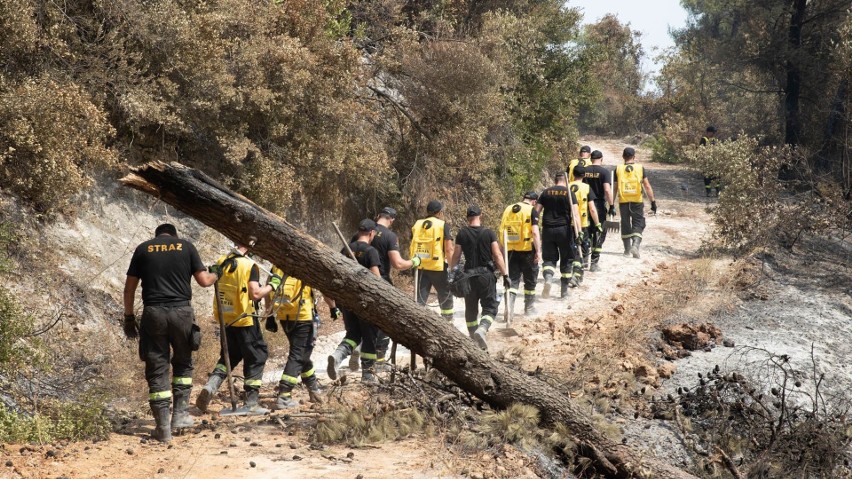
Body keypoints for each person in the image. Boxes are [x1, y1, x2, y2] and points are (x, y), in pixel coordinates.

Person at [123, 223, 218, 443]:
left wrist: (129, 317)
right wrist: (216, 273)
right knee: (183, 363)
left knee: (157, 366)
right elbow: (204, 281)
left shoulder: (143, 248)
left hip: (153, 313)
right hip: (182, 313)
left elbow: (130, 288)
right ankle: (180, 417)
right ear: (174, 235)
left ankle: (163, 428)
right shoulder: (186, 246)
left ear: (157, 235)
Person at [195, 242, 277, 415]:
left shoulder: (223, 260)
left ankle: (211, 386)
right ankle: (251, 402)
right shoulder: (249, 265)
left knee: (230, 356)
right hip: (245, 318)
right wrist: (272, 286)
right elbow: (254, 294)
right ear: (249, 249)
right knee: (257, 355)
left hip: (227, 319)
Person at [265, 270, 334, 409]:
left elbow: (268, 288)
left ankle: (313, 388)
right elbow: (323, 288)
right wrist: (333, 307)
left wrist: (270, 314)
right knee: (298, 354)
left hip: (284, 316)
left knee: (301, 353)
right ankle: (284, 395)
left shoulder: (277, 266)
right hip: (303, 316)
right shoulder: (303, 265)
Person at [326, 219, 383, 384]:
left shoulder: (345, 249)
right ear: (372, 233)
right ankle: (367, 374)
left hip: (347, 301)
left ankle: (338, 356)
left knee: (353, 334)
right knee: (369, 336)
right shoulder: (371, 251)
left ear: (359, 231)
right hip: (365, 302)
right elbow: (376, 278)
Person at [448, 206, 509, 350]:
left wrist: (452, 273)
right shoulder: (489, 233)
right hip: (485, 276)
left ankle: (473, 343)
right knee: (490, 307)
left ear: (467, 217)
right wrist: (505, 274)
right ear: (480, 215)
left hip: (468, 277)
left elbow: (456, 256)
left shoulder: (462, 233)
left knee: (470, 311)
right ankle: (482, 329)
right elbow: (497, 255)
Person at [535, 172, 581, 300]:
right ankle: (564, 292)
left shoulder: (546, 192)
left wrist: (534, 227)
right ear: (565, 181)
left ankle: (549, 279)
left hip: (548, 229)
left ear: (555, 180)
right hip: (564, 230)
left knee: (549, 259)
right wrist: (580, 232)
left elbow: (536, 211)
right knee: (566, 260)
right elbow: (576, 215)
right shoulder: (570, 194)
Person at [410, 200, 454, 321]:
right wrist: (452, 267)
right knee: (445, 295)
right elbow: (449, 249)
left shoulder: (417, 224)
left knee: (420, 299)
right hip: (437, 267)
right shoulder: (442, 225)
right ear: (439, 212)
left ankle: (416, 322)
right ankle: (447, 322)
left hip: (420, 267)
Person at [498, 192, 541, 315]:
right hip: (527, 251)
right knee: (530, 280)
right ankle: (529, 308)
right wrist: (538, 251)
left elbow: (502, 230)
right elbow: (535, 232)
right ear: (534, 201)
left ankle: (509, 308)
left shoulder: (508, 209)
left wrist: (501, 250)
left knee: (512, 280)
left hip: (510, 251)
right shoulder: (532, 210)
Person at [614, 147, 657, 259]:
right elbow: (647, 186)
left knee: (625, 223)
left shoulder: (618, 169)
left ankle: (627, 250)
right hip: (637, 201)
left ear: (623, 157)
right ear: (634, 156)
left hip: (623, 201)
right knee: (638, 223)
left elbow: (614, 188)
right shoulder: (640, 168)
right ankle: (636, 245)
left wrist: (611, 204)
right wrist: (653, 202)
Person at [569, 166, 601, 285]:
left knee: (571, 249)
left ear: (573, 174)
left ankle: (574, 273)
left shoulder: (566, 187)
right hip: (581, 223)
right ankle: (576, 275)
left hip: (567, 224)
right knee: (581, 248)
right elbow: (592, 209)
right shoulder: (586, 188)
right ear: (584, 175)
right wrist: (597, 223)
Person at [583, 150, 614, 272]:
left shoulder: (584, 171)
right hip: (599, 205)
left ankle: (584, 257)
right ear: (601, 158)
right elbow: (607, 190)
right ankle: (594, 262)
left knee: (586, 230)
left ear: (590, 158)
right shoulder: (604, 172)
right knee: (599, 232)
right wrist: (612, 206)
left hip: (585, 204)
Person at [701, 126, 720, 197]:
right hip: (706, 162)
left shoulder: (715, 140)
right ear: (708, 132)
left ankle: (718, 191)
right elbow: (701, 150)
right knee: (707, 178)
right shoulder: (704, 139)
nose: (713, 134)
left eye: (714, 133)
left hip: (715, 161)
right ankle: (708, 192)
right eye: (712, 132)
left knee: (716, 177)